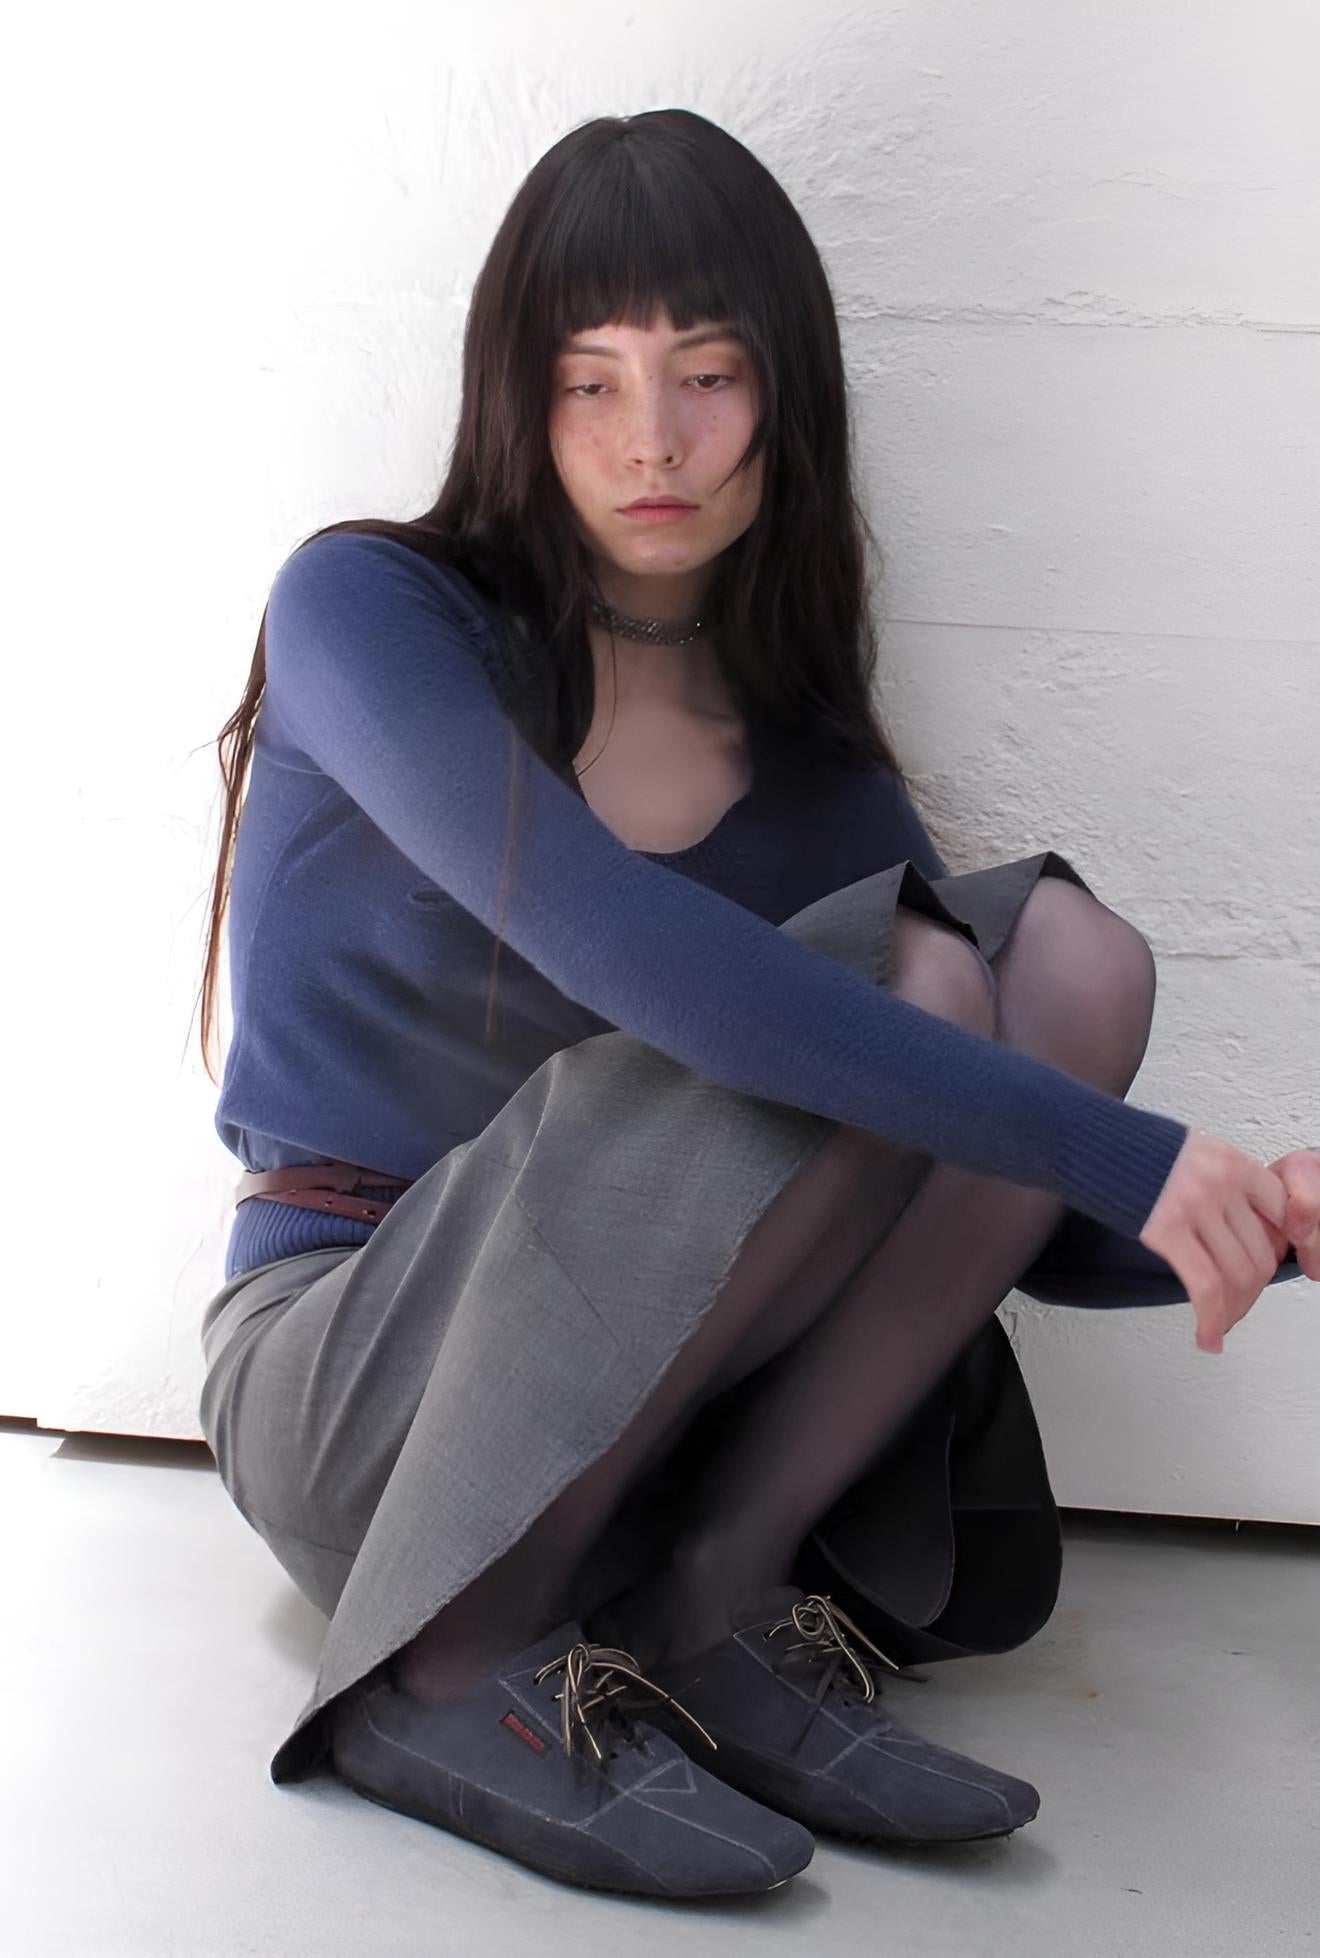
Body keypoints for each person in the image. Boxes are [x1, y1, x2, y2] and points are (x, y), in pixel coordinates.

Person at [194, 108, 1319, 1902]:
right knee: (913, 978)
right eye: (590, 383)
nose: (653, 439)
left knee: (1062, 961)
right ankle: (449, 1669)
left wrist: (1255, 1222)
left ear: (785, 397)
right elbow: (624, 947)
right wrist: (1130, 1154)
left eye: (708, 376)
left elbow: (980, 1182)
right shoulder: (373, 614)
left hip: (638, 1429)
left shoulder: (809, 768)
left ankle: (708, 1603)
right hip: (369, 1395)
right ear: (516, 400)